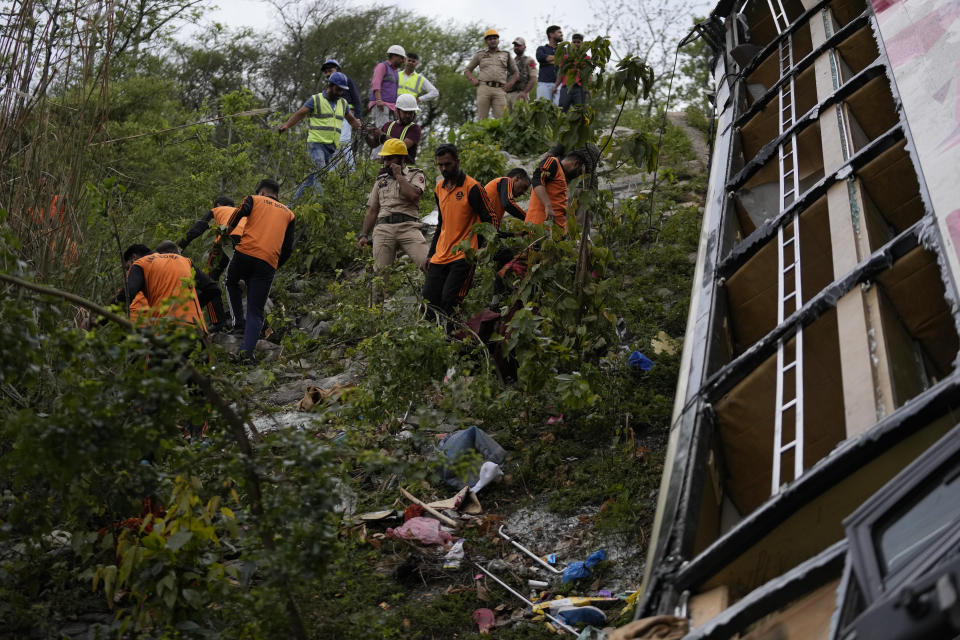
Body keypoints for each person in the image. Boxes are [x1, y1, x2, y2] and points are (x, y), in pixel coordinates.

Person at [223, 179, 295, 363]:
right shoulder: (289, 214)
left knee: (230, 281)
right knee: (256, 311)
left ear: (262, 193)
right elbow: (287, 249)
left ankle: (238, 323)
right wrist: (275, 265)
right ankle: (246, 354)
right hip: (267, 263)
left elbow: (237, 215)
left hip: (245, 253)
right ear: (276, 195)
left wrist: (226, 231)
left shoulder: (254, 199)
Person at [423, 144, 495, 317]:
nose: (444, 169)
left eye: (447, 164)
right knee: (429, 302)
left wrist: (484, 246)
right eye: (440, 165)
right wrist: (430, 254)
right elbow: (441, 223)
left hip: (464, 255)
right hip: (440, 255)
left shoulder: (472, 187)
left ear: (457, 162)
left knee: (451, 301)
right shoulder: (439, 188)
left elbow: (490, 219)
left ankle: (453, 340)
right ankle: (434, 340)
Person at [279, 72, 363, 201]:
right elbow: (300, 114)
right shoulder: (316, 99)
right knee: (320, 174)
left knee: (312, 178)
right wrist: (286, 126)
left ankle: (291, 204)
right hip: (316, 144)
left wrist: (361, 127)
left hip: (332, 147)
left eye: (342, 90)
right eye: (337, 89)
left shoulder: (343, 103)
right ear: (330, 85)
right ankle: (319, 205)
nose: (340, 92)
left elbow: (351, 120)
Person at [358, 139, 429, 271]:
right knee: (379, 276)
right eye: (384, 159)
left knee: (429, 265)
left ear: (402, 158)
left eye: (390, 159)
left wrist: (399, 176)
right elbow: (372, 210)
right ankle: (380, 292)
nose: (386, 163)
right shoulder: (381, 180)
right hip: (383, 229)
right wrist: (363, 235)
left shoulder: (415, 174)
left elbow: (413, 195)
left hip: (408, 227)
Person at [124, 241, 214, 334]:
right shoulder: (184, 261)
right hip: (197, 329)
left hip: (166, 330)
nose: (128, 271)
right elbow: (213, 289)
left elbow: (128, 295)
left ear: (133, 258)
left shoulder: (141, 266)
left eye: (127, 268)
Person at [525, 145, 599, 233]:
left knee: (575, 228)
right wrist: (547, 205)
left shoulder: (559, 177)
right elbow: (538, 178)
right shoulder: (553, 165)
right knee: (577, 228)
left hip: (582, 189)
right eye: (579, 172)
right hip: (538, 228)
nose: (579, 176)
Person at [464, 29, 519, 120]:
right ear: (486, 42)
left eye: (495, 38)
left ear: (498, 40)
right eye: (490, 39)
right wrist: (473, 80)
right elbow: (467, 70)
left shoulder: (506, 54)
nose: (493, 40)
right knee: (482, 118)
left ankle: (500, 134)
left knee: (503, 119)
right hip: (484, 88)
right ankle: (481, 134)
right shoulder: (480, 54)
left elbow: (516, 72)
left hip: (500, 89)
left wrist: (510, 84)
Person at [320, 59, 363, 167]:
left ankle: (351, 170)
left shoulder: (347, 81)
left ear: (338, 69)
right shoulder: (328, 89)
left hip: (347, 116)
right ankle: (333, 171)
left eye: (330, 70)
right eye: (326, 72)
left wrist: (357, 118)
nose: (328, 73)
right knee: (334, 143)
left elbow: (357, 100)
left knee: (344, 142)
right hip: (333, 118)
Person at [364, 94, 423, 162]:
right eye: (405, 112)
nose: (408, 115)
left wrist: (383, 135)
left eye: (411, 113)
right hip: (385, 170)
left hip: (405, 171)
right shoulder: (387, 125)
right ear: (397, 111)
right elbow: (373, 144)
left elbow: (402, 147)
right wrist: (366, 135)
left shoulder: (415, 128)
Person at [368, 45, 406, 129]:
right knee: (383, 129)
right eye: (401, 58)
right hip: (381, 105)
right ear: (394, 56)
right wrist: (378, 100)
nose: (403, 61)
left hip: (391, 107)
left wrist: (396, 107)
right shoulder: (382, 66)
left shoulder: (395, 71)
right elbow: (376, 84)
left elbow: (394, 91)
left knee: (391, 131)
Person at [555, 34, 592, 111]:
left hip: (580, 88)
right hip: (566, 87)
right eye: (574, 42)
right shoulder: (565, 58)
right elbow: (561, 73)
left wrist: (589, 88)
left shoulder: (587, 58)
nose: (576, 44)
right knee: (561, 110)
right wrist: (556, 86)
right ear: (571, 43)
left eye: (578, 42)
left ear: (582, 44)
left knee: (580, 111)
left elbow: (589, 75)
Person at [536, 25, 563, 105]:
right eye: (559, 32)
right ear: (551, 34)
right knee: (543, 108)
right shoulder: (541, 49)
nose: (562, 34)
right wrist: (559, 59)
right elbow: (540, 58)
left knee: (558, 110)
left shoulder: (564, 50)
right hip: (544, 83)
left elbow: (565, 62)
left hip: (560, 84)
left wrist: (547, 60)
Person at [506, 38, 537, 107]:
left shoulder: (529, 60)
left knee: (520, 117)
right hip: (507, 96)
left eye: (519, 45)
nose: (516, 47)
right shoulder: (511, 62)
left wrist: (524, 92)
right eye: (515, 45)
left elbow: (533, 78)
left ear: (524, 47)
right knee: (506, 117)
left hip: (519, 94)